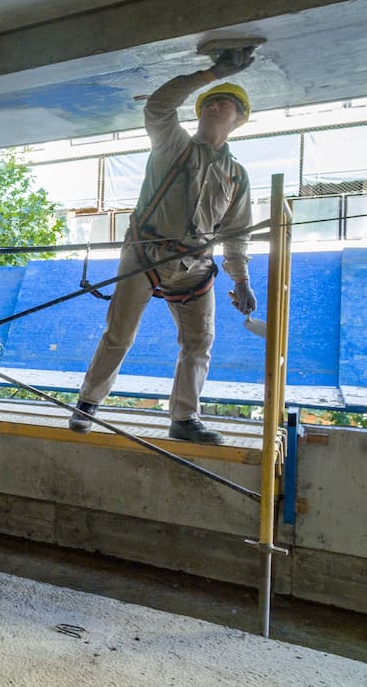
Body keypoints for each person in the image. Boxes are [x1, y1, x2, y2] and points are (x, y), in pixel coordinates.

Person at [70, 48, 258, 445]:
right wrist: (211, 74)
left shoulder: (236, 175)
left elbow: (237, 231)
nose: (214, 105)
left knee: (199, 342)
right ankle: (88, 402)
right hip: (145, 254)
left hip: (195, 266)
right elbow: (159, 105)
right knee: (120, 333)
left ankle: (184, 418)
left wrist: (240, 279)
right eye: (209, 102)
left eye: (225, 104)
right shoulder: (173, 144)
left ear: (238, 120)